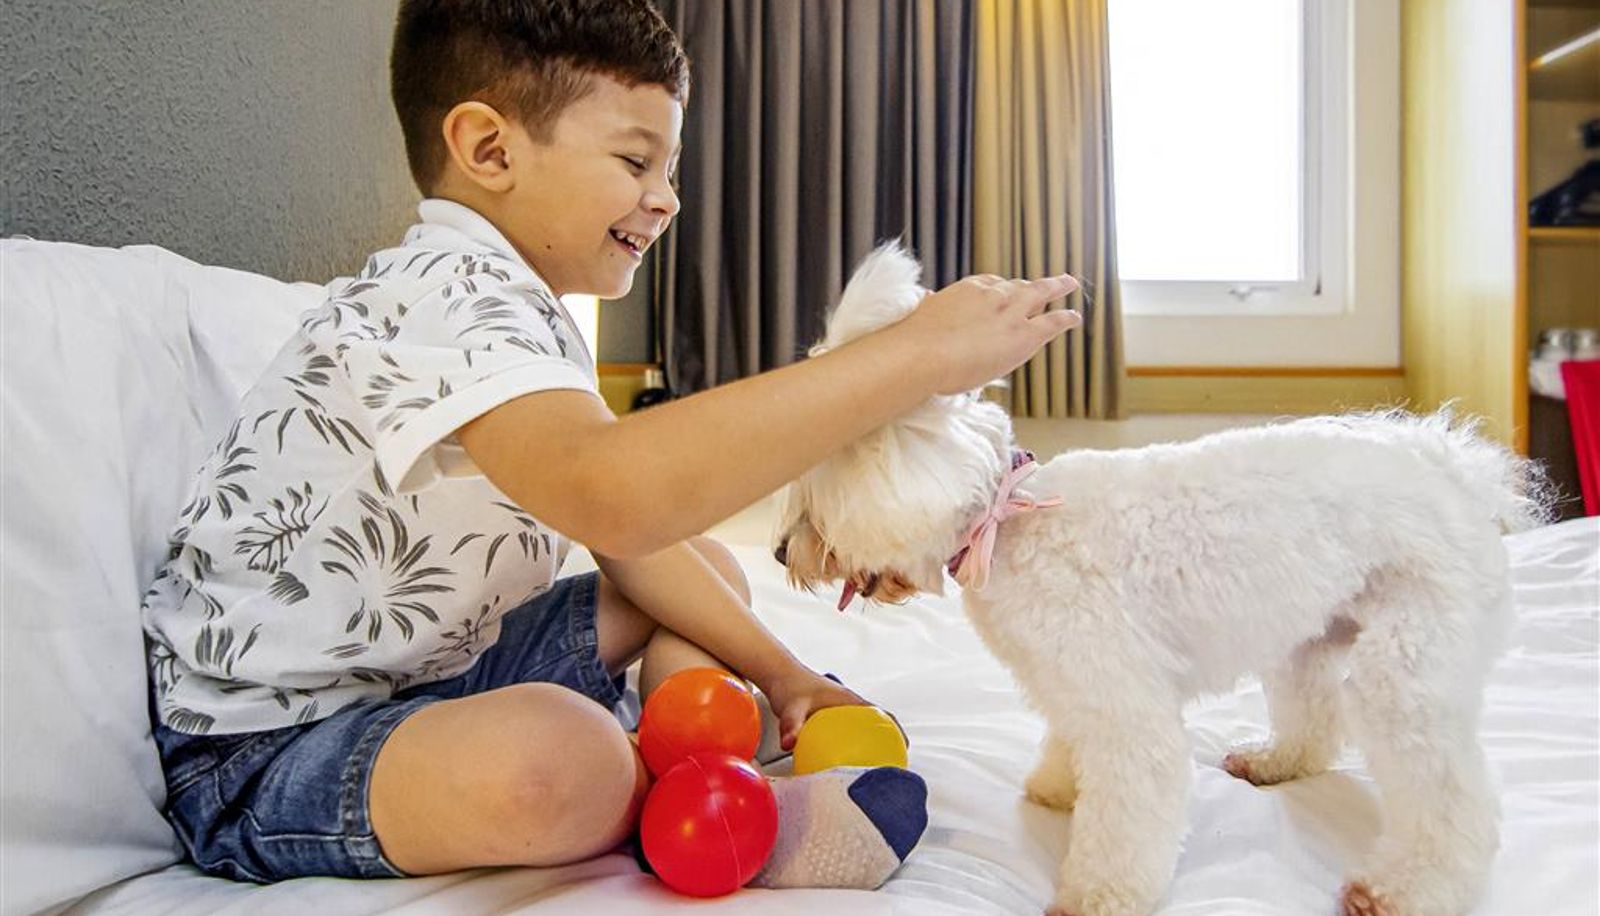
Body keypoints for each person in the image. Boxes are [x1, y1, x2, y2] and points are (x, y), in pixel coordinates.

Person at [140, 0, 1082, 890]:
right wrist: (911, 358)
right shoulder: (440, 296)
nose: (665, 200)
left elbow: (628, 536)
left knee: (703, 568)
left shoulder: (521, 309)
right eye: (636, 162)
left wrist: (784, 674)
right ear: (489, 150)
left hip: (437, 670)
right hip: (273, 746)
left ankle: (703, 740)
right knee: (558, 761)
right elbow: (613, 497)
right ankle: (713, 809)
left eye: (668, 170)